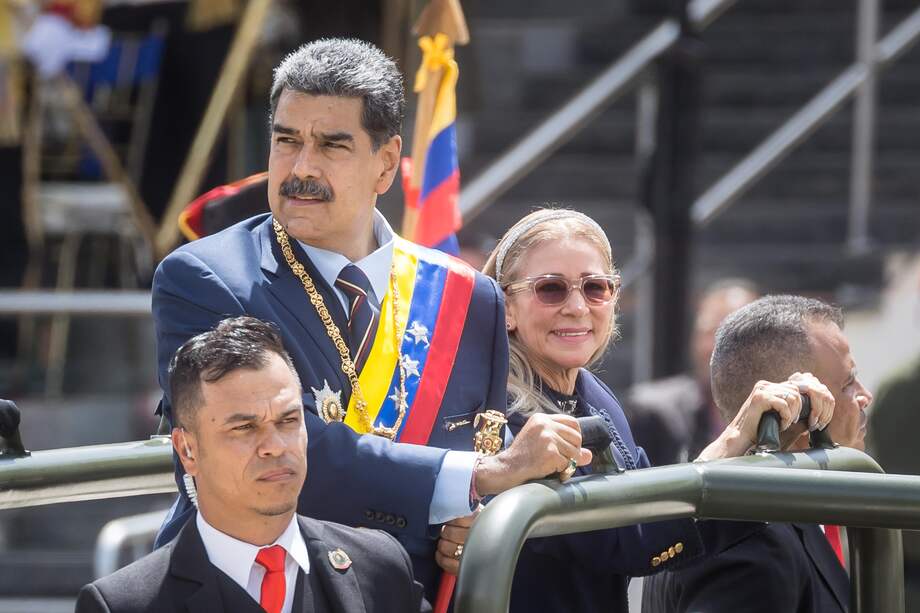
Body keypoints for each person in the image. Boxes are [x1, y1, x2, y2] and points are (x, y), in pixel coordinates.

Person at [151, 38, 585, 599]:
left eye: (332, 145)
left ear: (386, 162)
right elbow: (287, 451)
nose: (301, 168)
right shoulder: (205, 279)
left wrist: (477, 517)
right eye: (287, 141)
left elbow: (482, 453)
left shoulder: (468, 298)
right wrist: (482, 478)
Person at [458, 209, 833, 613]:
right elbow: (622, 538)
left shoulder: (593, 394)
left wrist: (756, 448)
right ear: (507, 307)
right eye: (551, 289)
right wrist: (734, 439)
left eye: (595, 288)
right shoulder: (491, 407)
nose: (577, 306)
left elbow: (650, 504)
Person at [76, 317, 429, 613]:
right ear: (187, 451)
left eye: (289, 420)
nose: (274, 446)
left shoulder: (379, 568)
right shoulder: (124, 605)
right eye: (244, 428)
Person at [643, 294, 873, 613]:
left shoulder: (735, 516)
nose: (865, 395)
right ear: (798, 406)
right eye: (848, 383)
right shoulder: (755, 542)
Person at [625, 280, 759, 464]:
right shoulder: (654, 412)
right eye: (709, 332)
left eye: (734, 336)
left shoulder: (785, 414)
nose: (718, 347)